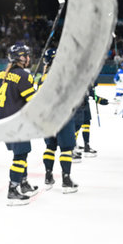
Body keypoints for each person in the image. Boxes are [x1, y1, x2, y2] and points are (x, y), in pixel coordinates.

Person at [0, 43, 38, 205]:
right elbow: (32, 102)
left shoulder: (1, 75)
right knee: (20, 156)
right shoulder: (24, 76)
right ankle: (13, 189)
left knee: (21, 153)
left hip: (4, 121)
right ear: (21, 57)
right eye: (26, 55)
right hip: (18, 123)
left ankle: (23, 182)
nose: (28, 58)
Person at [39, 48, 79, 193]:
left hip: (47, 117)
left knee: (50, 147)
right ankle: (66, 180)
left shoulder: (43, 77)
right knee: (66, 149)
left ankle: (48, 176)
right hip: (63, 116)